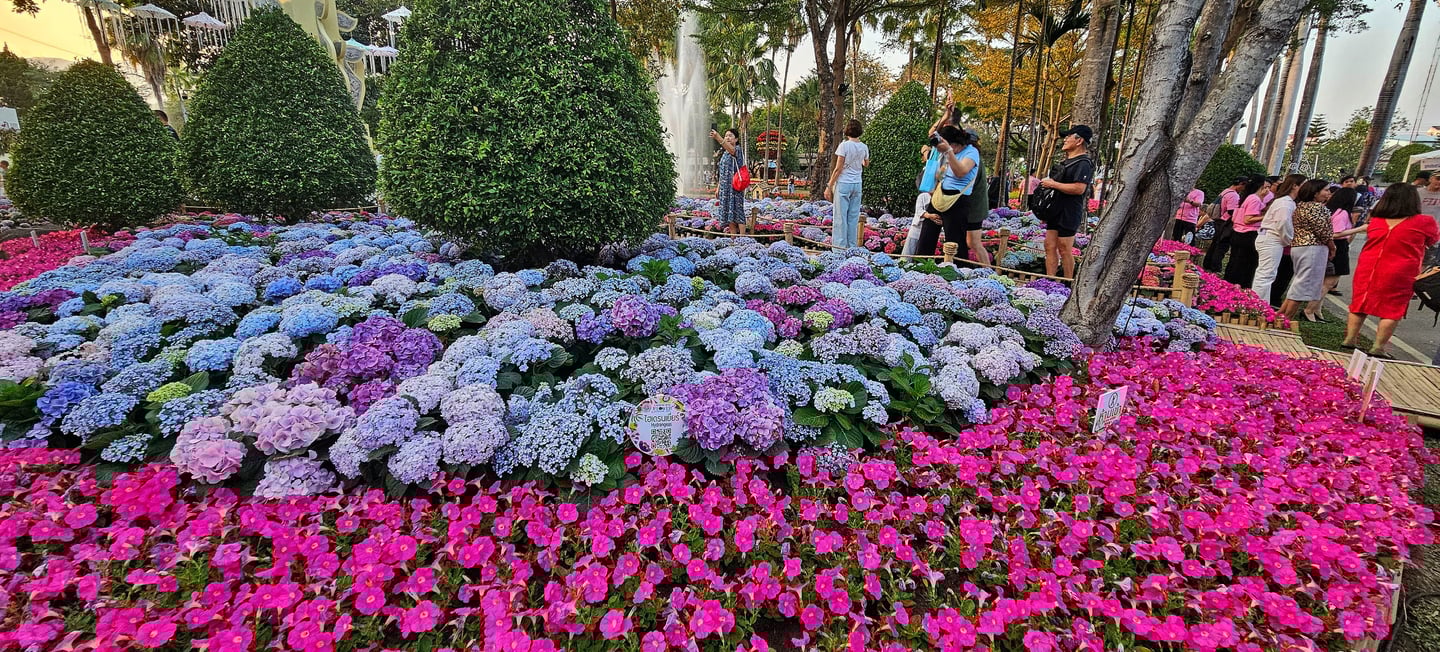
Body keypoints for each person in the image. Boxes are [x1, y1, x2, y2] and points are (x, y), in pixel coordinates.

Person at [1343, 183, 1440, 358]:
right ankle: (1378, 347)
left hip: (1368, 266)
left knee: (1360, 303)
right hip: (1401, 270)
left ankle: (1350, 339)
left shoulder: (1376, 221)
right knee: (1392, 308)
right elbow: (1432, 240)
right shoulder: (1424, 222)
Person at [1037, 125, 1095, 278]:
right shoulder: (1065, 162)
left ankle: (1068, 281)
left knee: (1064, 248)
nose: (1065, 139)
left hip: (1069, 212)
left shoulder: (1084, 163)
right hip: (1055, 210)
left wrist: (1053, 184)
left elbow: (1079, 188)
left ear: (1079, 140)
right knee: (1049, 245)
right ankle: (1050, 281)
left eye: (1069, 136)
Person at [914, 126, 980, 262]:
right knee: (926, 237)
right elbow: (932, 133)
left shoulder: (971, 152)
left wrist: (948, 152)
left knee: (955, 242)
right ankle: (920, 267)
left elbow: (961, 172)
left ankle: (958, 270)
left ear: (955, 144)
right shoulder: (947, 152)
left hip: (957, 200)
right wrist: (946, 116)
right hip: (939, 197)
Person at [1302, 187, 1365, 321]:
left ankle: (1317, 310)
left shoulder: (1331, 210)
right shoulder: (1342, 213)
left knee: (1326, 281)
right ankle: (1309, 309)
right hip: (1338, 246)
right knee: (1329, 282)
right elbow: (1335, 233)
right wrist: (1358, 229)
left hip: (1330, 245)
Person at [1279, 180, 1335, 320]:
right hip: (1313, 248)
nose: (1328, 193)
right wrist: (1332, 247)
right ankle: (1286, 318)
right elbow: (1324, 231)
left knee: (1299, 282)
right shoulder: (1317, 207)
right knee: (1304, 284)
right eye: (1326, 190)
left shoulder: (1300, 205)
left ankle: (1281, 314)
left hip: (1299, 247)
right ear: (1315, 193)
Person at [1251, 174, 1307, 305]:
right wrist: (1289, 239)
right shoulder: (1285, 203)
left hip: (1272, 239)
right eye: (1303, 185)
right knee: (1265, 275)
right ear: (1294, 186)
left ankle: (1260, 304)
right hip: (1272, 239)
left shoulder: (1287, 202)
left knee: (1267, 274)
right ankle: (1257, 305)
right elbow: (1283, 223)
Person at [824, 119, 870, 250]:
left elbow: (838, 169)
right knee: (853, 217)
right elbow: (866, 164)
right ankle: (851, 247)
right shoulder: (864, 147)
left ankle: (839, 248)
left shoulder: (844, 146)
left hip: (844, 183)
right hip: (857, 183)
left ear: (847, 131)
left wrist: (829, 186)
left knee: (840, 217)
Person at [1223, 176, 1270, 288]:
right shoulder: (1254, 199)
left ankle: (1229, 284)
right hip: (1247, 234)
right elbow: (1248, 219)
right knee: (1244, 264)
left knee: (1235, 261)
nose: (1268, 190)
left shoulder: (1249, 197)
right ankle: (1239, 286)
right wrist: (1266, 217)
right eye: (1266, 187)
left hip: (1238, 232)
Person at [1202, 176, 1247, 272]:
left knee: (1215, 243)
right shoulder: (1234, 195)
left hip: (1219, 220)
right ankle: (1215, 266)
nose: (1244, 189)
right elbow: (1231, 211)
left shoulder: (1225, 191)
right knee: (1222, 246)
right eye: (1244, 186)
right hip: (1225, 222)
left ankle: (1207, 263)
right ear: (1241, 184)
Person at [710, 127, 745, 234]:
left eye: (730, 136)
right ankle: (733, 238)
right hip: (725, 188)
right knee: (730, 215)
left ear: (736, 139)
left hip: (735, 187)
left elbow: (731, 150)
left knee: (738, 211)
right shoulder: (725, 153)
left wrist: (718, 137)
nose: (728, 138)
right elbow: (722, 172)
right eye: (726, 136)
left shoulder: (737, 150)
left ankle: (743, 238)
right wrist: (718, 188)